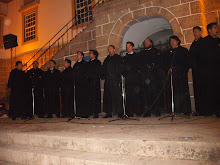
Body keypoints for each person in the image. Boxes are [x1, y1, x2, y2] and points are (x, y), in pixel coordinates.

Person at [163, 35, 191, 115]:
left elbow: (188, 63)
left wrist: (181, 70)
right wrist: (168, 69)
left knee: (182, 93)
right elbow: (164, 64)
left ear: (177, 41)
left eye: (173, 40)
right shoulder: (167, 52)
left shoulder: (183, 51)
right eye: (171, 41)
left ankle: (185, 110)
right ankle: (172, 110)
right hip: (171, 76)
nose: (172, 42)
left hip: (181, 76)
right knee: (172, 93)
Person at [198, 23, 220, 116]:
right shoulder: (204, 42)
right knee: (209, 91)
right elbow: (202, 57)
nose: (217, 29)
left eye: (217, 28)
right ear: (209, 30)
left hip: (218, 69)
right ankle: (210, 110)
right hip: (209, 71)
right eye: (215, 28)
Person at [138, 38, 164, 117]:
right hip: (145, 77)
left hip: (154, 77)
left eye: (147, 42)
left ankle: (157, 110)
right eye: (145, 42)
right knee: (146, 95)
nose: (146, 43)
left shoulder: (156, 52)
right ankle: (147, 111)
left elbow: (160, 63)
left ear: (151, 43)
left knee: (155, 94)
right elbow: (139, 65)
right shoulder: (141, 54)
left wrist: (153, 67)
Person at [102, 45, 123, 118]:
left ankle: (119, 112)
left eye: (110, 49)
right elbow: (103, 69)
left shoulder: (118, 58)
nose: (109, 50)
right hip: (108, 80)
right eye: (108, 49)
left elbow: (121, 68)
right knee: (108, 97)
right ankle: (109, 113)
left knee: (117, 96)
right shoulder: (106, 59)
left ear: (114, 49)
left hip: (115, 80)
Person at [123, 42, 141, 117]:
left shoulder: (137, 56)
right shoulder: (125, 57)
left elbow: (139, 66)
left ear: (133, 47)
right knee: (129, 96)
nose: (127, 48)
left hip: (136, 78)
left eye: (129, 46)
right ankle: (129, 112)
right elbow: (123, 68)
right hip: (128, 79)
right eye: (126, 46)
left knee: (136, 95)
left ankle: (138, 111)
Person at [189, 26, 203, 115]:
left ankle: (204, 110)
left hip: (203, 69)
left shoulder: (204, 42)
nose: (195, 33)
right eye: (194, 32)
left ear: (200, 32)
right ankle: (198, 110)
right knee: (197, 90)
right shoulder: (193, 44)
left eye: (196, 31)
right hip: (195, 70)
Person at [73, 51, 89, 118]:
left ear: (82, 56)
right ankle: (78, 113)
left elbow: (86, 74)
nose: (77, 55)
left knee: (84, 99)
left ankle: (85, 114)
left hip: (83, 84)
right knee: (78, 99)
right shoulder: (75, 65)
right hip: (77, 84)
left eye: (79, 54)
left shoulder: (85, 64)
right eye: (77, 54)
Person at [86, 50, 101, 118]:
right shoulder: (88, 63)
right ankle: (90, 111)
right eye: (89, 53)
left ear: (94, 55)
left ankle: (96, 112)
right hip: (89, 83)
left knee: (96, 97)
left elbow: (99, 72)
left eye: (91, 53)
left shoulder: (97, 62)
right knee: (90, 97)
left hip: (95, 82)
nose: (89, 54)